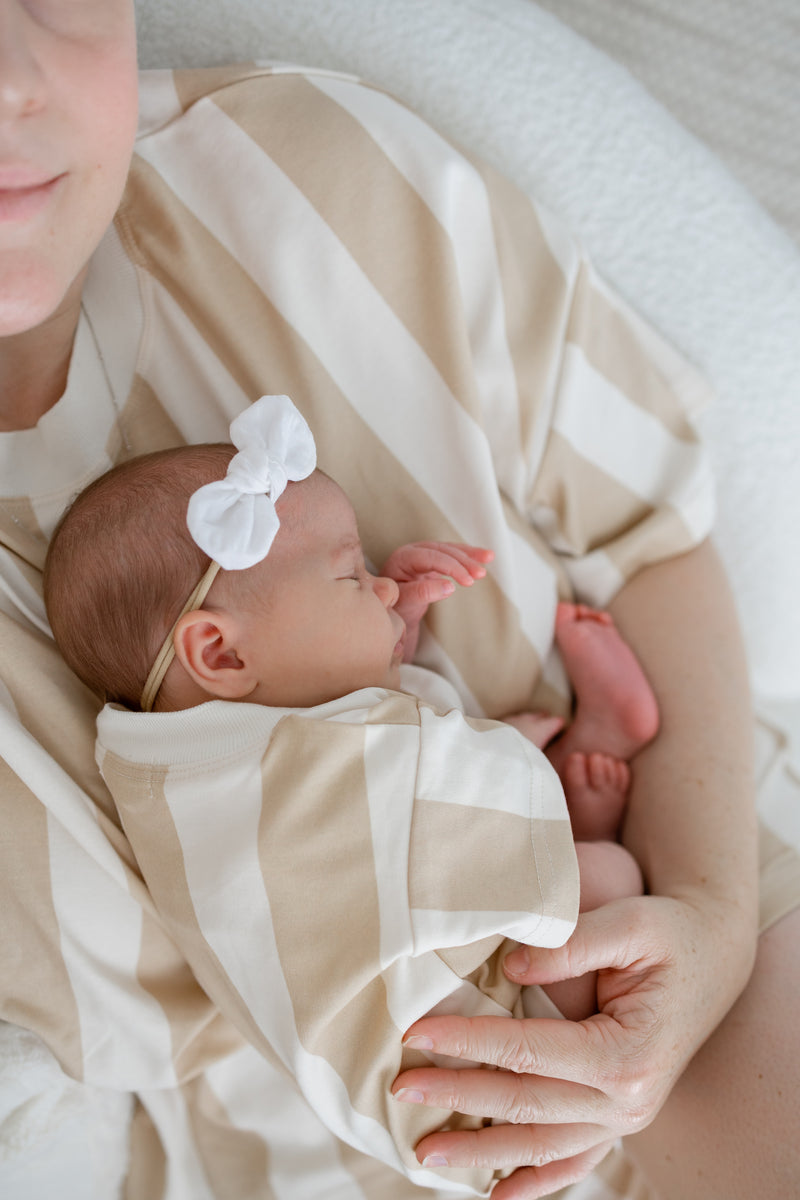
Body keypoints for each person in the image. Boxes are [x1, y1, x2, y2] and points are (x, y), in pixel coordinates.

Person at [1, 3, 799, 1198]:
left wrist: (705, 913)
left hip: (683, 850)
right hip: (349, 1119)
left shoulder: (303, 184)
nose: (10, 79)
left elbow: (650, 530)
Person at [43, 394, 652, 1061]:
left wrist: (395, 630)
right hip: (471, 1038)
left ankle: (554, 786)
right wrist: (498, 756)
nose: (385, 586)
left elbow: (360, 755)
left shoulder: (242, 730)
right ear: (220, 654)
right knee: (609, 880)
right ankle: (572, 804)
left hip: (442, 950)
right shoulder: (215, 790)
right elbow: (370, 787)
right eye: (351, 576)